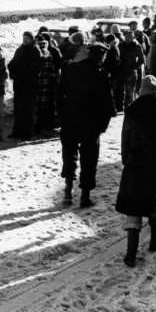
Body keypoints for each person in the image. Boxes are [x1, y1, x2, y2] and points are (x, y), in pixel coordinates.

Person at [115, 75, 156, 267]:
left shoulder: (131, 111)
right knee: (155, 205)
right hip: (155, 166)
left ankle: (130, 254)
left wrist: (127, 159)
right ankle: (155, 241)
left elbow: (125, 139)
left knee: (133, 211)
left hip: (134, 165)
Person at [58, 41, 116, 208]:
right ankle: (85, 196)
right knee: (89, 160)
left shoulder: (71, 69)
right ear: (102, 56)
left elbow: (59, 95)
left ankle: (68, 191)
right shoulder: (102, 74)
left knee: (69, 155)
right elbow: (108, 104)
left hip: (70, 121)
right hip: (91, 125)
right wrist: (102, 126)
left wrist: (63, 115)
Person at [8, 31, 40, 140]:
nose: (25, 40)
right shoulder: (20, 49)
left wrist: (21, 72)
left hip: (29, 85)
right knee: (18, 109)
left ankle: (27, 133)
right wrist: (14, 73)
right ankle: (17, 131)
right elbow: (12, 64)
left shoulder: (35, 50)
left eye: (27, 38)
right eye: (24, 38)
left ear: (31, 39)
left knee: (28, 110)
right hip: (19, 85)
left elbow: (34, 68)